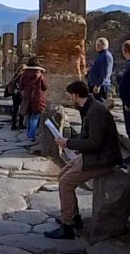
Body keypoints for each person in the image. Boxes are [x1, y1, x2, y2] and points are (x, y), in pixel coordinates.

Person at [45, 81, 122, 240]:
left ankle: (68, 227)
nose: (70, 99)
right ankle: (74, 217)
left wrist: (68, 143)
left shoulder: (96, 112)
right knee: (62, 176)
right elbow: (88, 137)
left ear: (75, 95)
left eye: (70, 96)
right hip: (94, 155)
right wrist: (74, 144)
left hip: (103, 159)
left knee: (66, 183)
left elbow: (95, 143)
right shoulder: (89, 108)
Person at [18, 57, 48, 141]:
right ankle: (31, 135)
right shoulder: (40, 75)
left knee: (28, 116)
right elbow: (44, 87)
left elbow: (21, 86)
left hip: (26, 98)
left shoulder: (24, 75)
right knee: (34, 117)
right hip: (37, 98)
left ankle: (29, 133)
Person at [87, 37, 113, 103]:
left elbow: (105, 72)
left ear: (99, 45)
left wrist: (98, 85)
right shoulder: (101, 55)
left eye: (97, 45)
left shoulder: (106, 56)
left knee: (100, 104)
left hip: (101, 86)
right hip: (95, 84)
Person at [5, 63, 26, 131]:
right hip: (20, 94)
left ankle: (13, 124)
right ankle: (20, 124)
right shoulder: (22, 76)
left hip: (15, 94)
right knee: (22, 109)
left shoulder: (16, 75)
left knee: (15, 109)